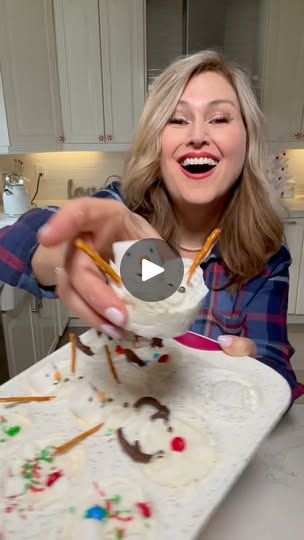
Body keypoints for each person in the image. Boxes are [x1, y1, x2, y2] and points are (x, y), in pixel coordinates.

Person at [0, 50, 303, 403]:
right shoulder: (125, 215)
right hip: (124, 419)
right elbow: (15, 243)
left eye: (219, 118)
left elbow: (279, 372)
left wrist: (255, 370)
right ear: (156, 142)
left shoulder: (265, 254)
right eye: (177, 120)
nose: (197, 135)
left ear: (247, 140)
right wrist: (63, 249)